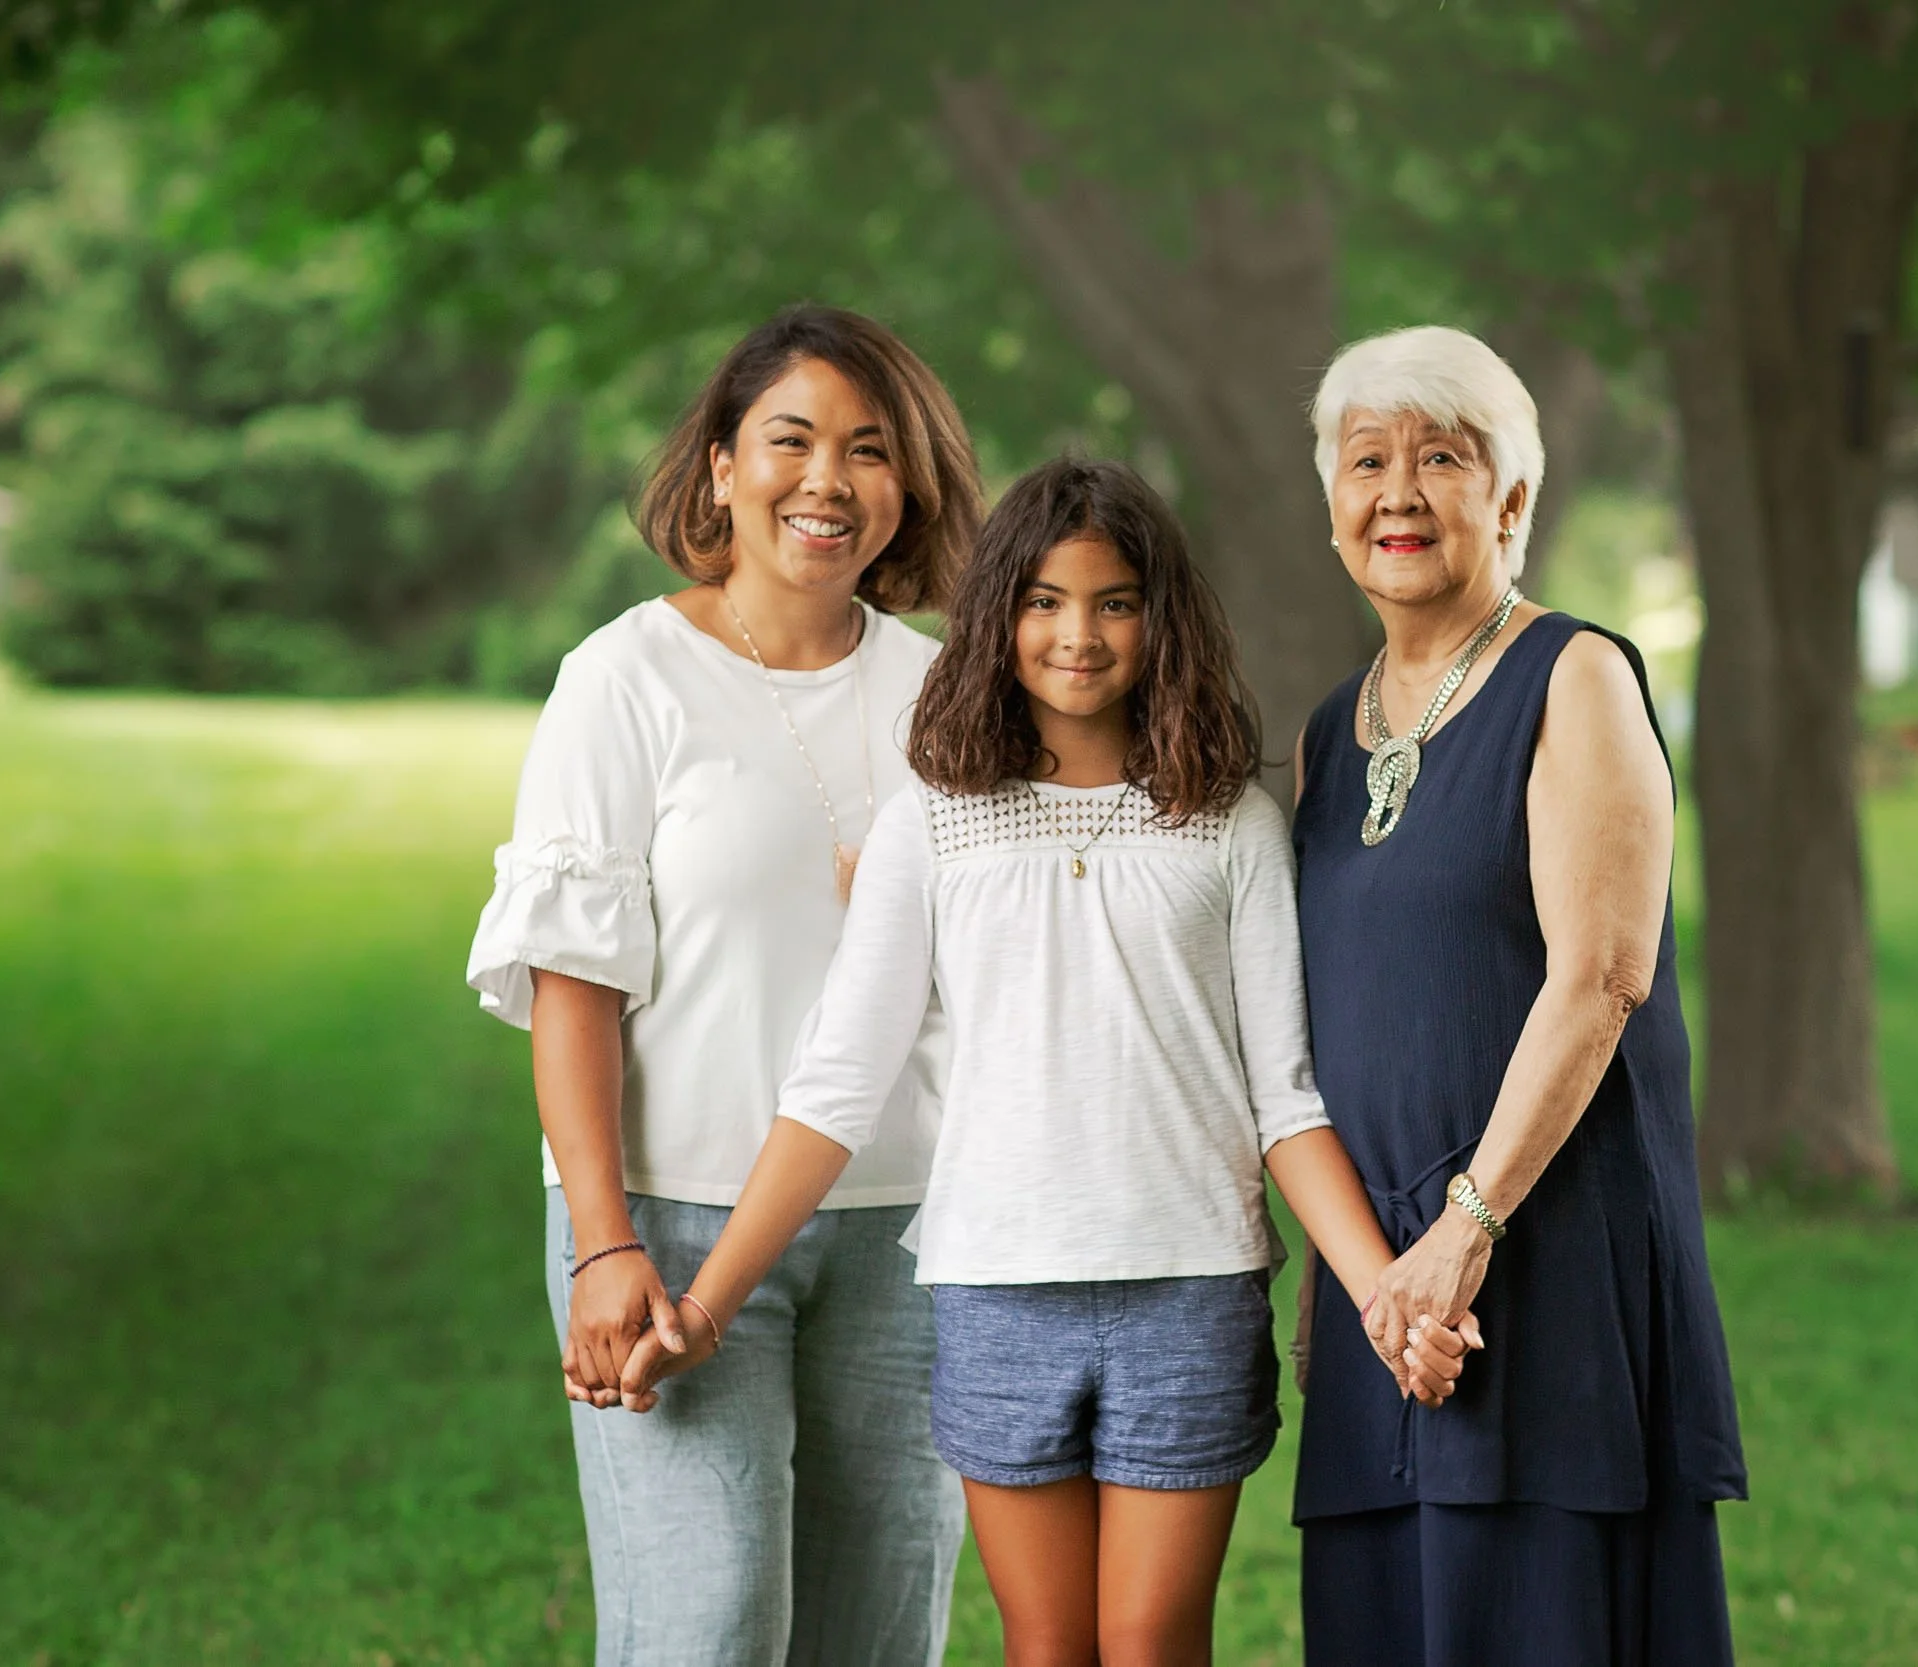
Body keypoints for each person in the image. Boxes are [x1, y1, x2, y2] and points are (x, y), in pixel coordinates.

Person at [617, 456, 1470, 1665]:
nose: (1077, 634)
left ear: (1158, 619)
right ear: (997, 616)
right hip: (996, 1287)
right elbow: (838, 1085)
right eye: (1043, 601)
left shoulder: (1228, 819)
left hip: (1191, 1286)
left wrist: (1386, 1292)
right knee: (1048, 1639)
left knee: (1151, 1635)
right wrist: (707, 1301)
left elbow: (1285, 1101)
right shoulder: (934, 813)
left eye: (1114, 601)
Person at [464, 304, 983, 1666]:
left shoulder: (949, 696)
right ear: (717, 465)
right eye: (791, 440)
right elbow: (572, 981)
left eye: (869, 450)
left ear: (906, 485)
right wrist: (600, 1236)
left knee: (882, 1633)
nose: (828, 481)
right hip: (673, 1222)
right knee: (708, 1624)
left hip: (911, 1234)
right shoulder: (625, 679)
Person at [1289, 326, 1748, 1665]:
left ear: (1513, 500)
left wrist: (1465, 1226)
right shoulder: (1333, 729)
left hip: (1545, 1277)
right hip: (1394, 1300)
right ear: (1332, 508)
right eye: (1367, 461)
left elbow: (1603, 979)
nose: (1399, 493)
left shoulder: (1576, 677)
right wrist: (1368, 1282)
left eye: (1444, 457)